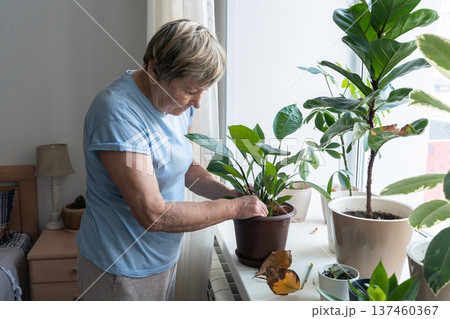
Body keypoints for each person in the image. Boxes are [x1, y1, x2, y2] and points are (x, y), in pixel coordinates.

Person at [75, 19, 268, 301]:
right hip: (119, 269)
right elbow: (152, 214)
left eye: (204, 90)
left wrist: (229, 194)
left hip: (161, 260)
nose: (198, 103)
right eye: (191, 91)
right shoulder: (117, 114)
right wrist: (235, 209)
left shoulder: (173, 105)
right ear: (154, 70)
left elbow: (185, 168)